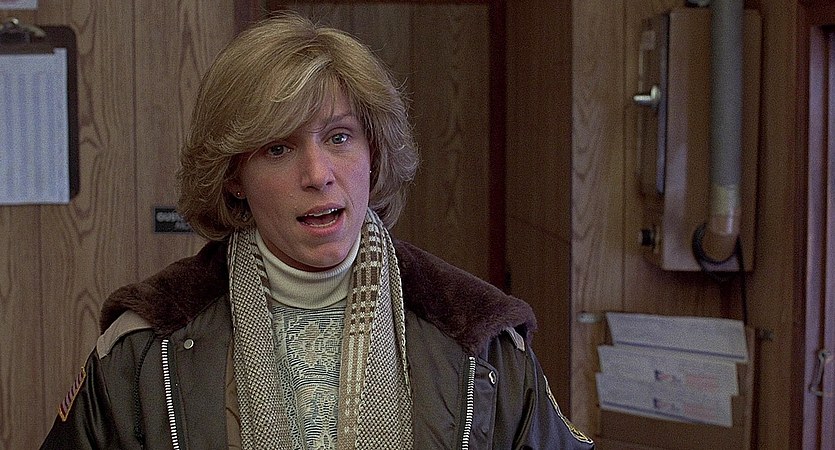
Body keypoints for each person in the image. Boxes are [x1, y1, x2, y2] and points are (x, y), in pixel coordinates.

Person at [41, 12, 594, 450]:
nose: (317, 174)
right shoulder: (143, 346)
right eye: (278, 148)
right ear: (234, 177)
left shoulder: (480, 337)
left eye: (339, 137)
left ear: (374, 153)